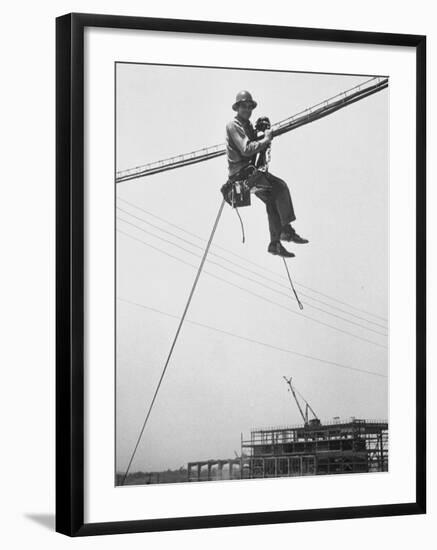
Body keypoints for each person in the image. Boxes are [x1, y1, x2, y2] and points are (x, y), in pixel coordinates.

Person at [225, 90, 308, 257]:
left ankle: (275, 243)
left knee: (272, 199)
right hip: (241, 175)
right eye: (244, 106)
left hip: (249, 173)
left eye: (250, 107)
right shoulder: (233, 125)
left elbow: (255, 147)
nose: (247, 110)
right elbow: (247, 149)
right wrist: (266, 139)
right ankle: (285, 230)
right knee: (280, 187)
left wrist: (260, 132)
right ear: (237, 107)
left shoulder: (247, 126)